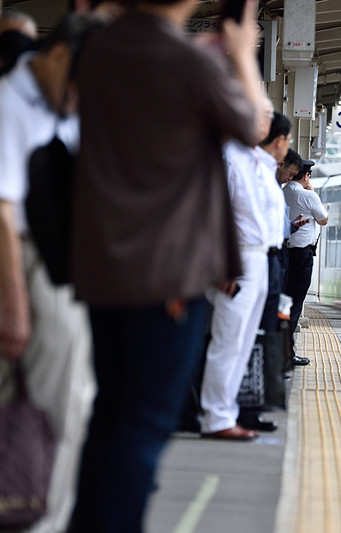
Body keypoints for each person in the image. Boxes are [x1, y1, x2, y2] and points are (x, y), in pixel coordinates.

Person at [67, 0, 264, 529]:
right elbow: (253, 126)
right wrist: (242, 56)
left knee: (110, 416)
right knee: (141, 426)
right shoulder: (189, 64)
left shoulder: (100, 48)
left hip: (103, 266)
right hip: (166, 273)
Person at [0, 13, 103, 533]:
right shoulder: (8, 104)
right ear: (59, 56)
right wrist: (15, 306)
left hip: (60, 269)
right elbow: (2, 211)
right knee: (50, 412)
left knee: (69, 408)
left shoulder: (55, 103)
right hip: (26, 269)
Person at [199, 103, 281, 440]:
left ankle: (225, 411)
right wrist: (221, 262)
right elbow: (212, 212)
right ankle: (215, 416)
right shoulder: (228, 158)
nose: (266, 122)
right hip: (237, 260)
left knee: (243, 342)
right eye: (260, 115)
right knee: (227, 340)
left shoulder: (258, 161)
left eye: (267, 117)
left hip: (260, 258)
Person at [283, 158, 328, 364]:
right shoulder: (307, 195)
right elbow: (324, 219)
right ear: (306, 175)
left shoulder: (283, 192)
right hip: (302, 257)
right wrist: (311, 189)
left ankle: (281, 351)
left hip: (284, 254)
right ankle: (287, 354)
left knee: (283, 303)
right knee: (295, 303)